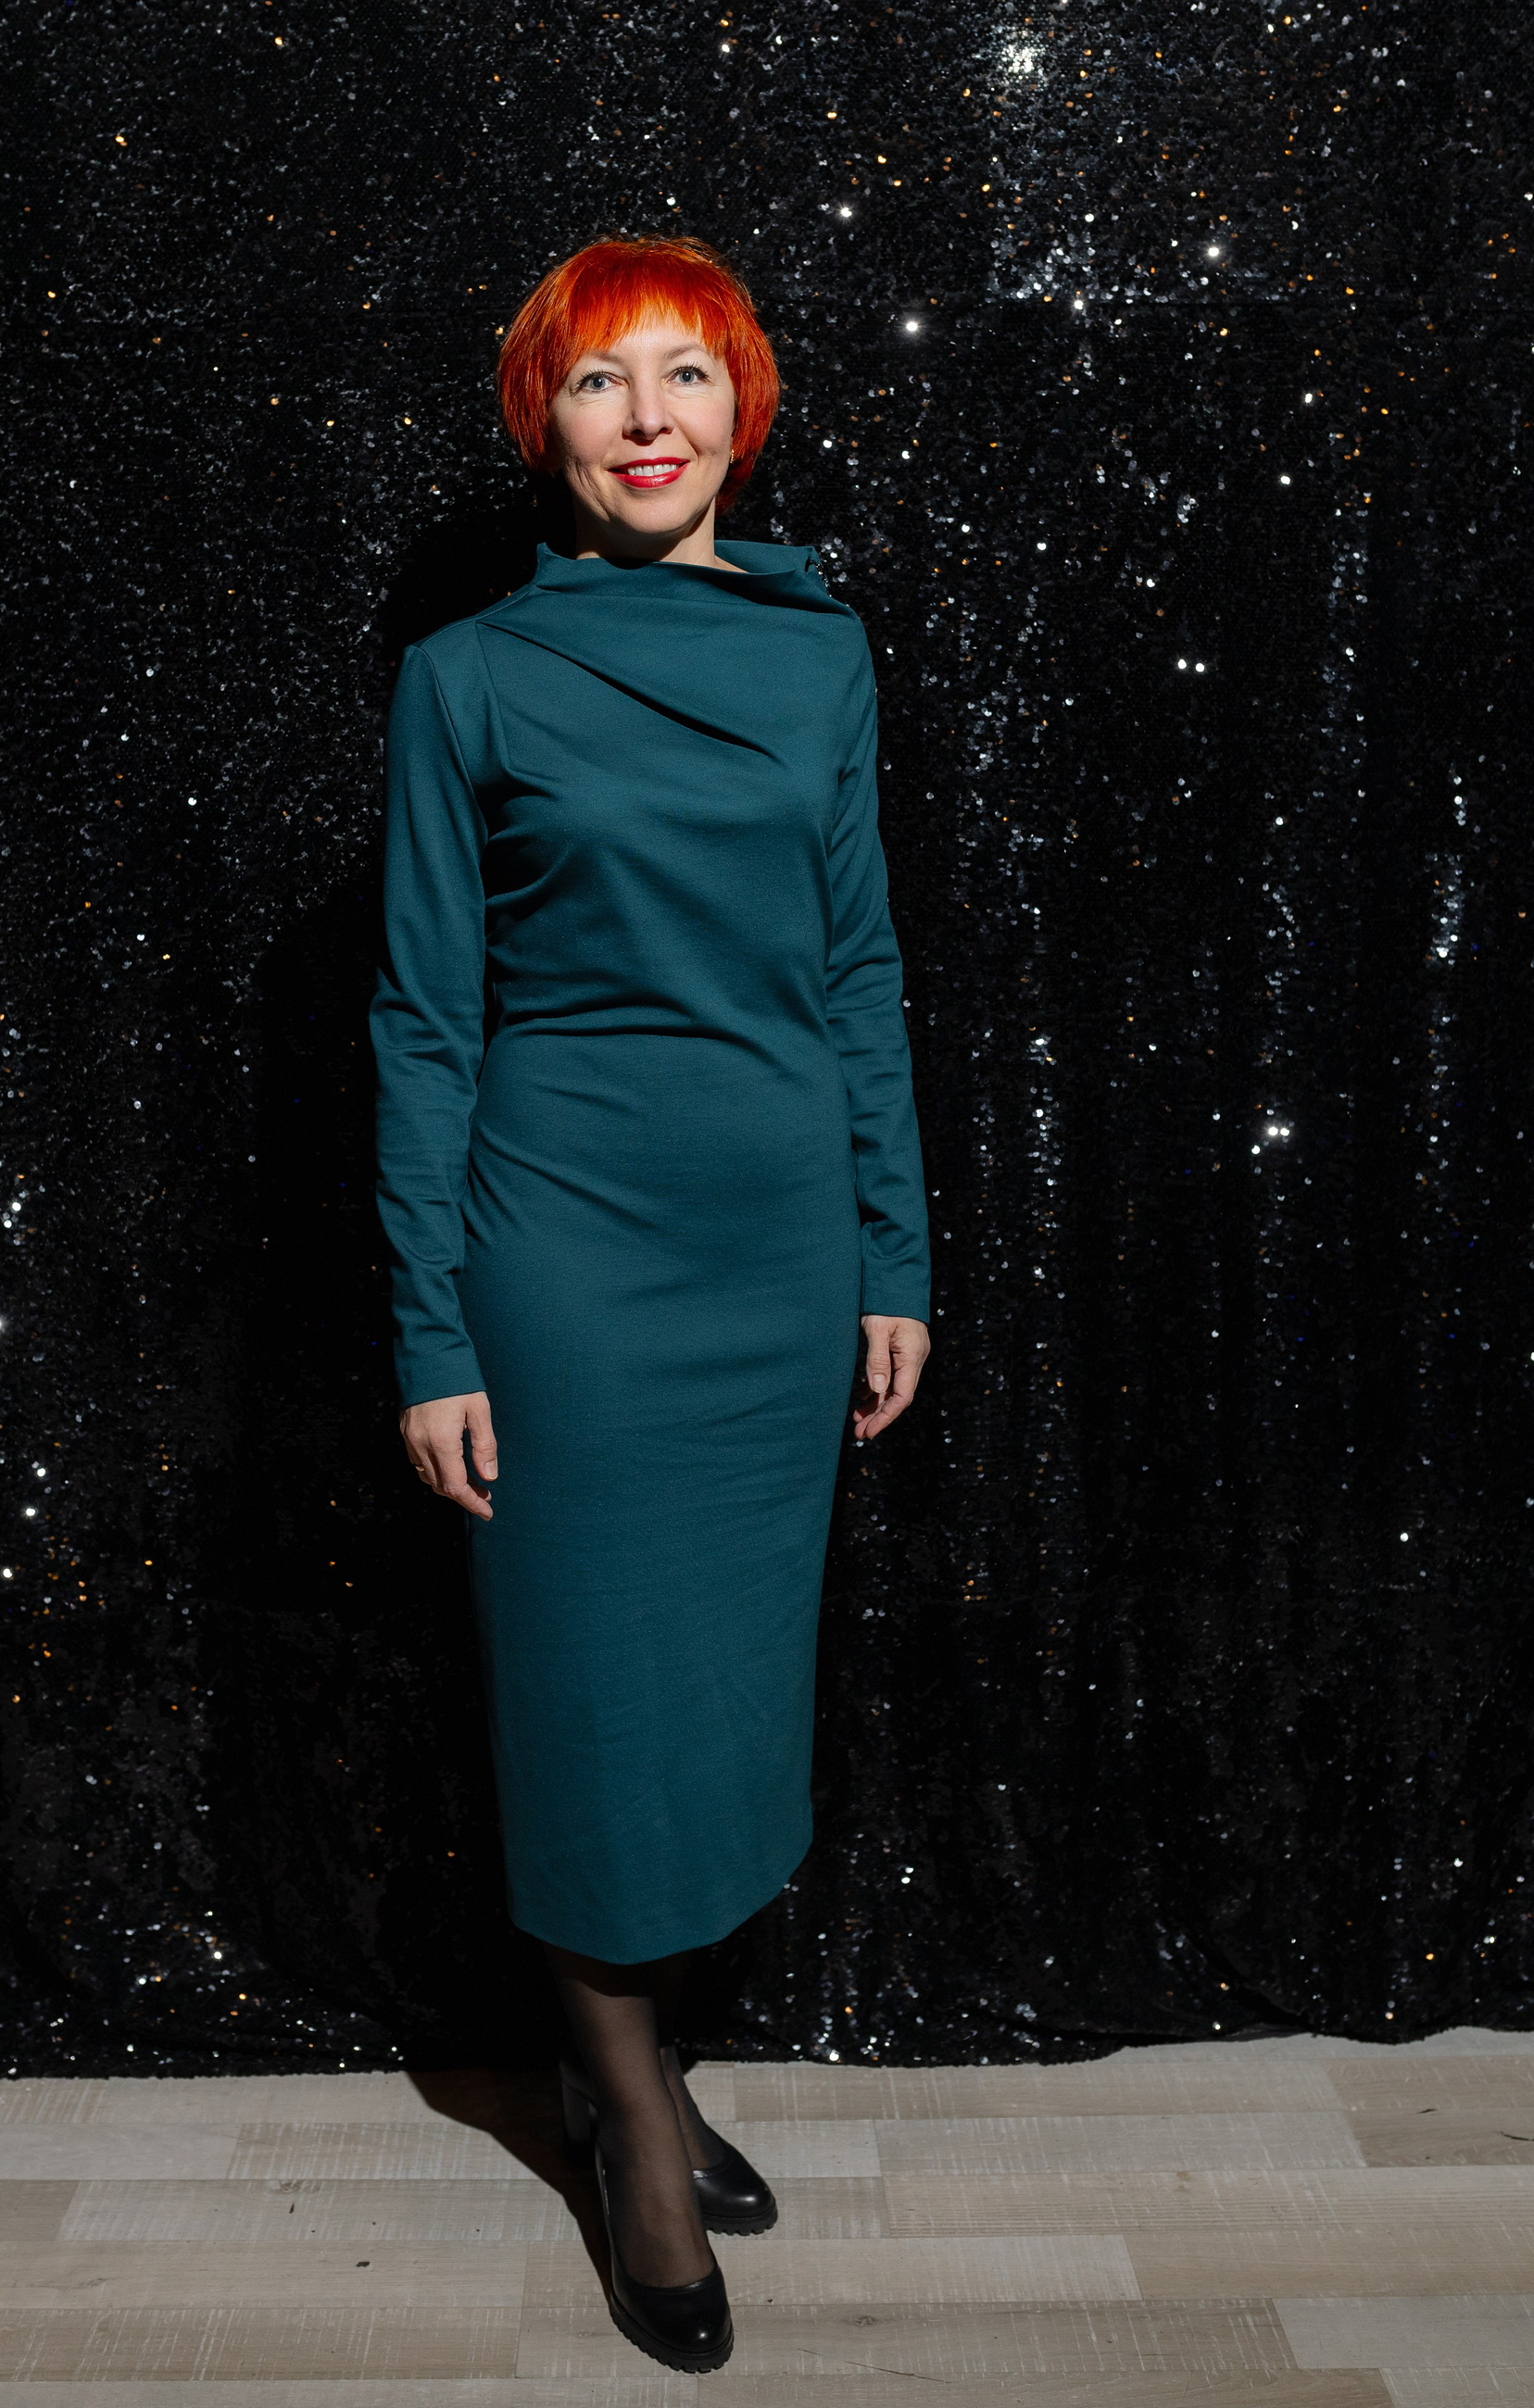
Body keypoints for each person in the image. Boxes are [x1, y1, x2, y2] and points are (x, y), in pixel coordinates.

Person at [371, 235, 930, 2372]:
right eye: (601, 380)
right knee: (592, 1702)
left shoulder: (820, 653)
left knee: (718, 1699)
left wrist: (893, 1250)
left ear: (741, 409)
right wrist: (433, 1325)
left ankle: (651, 2077)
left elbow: (858, 967)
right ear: (549, 422)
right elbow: (425, 1023)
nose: (647, 417)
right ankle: (626, 2125)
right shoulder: (470, 679)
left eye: (686, 374)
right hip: (567, 1260)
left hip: (777, 1253)